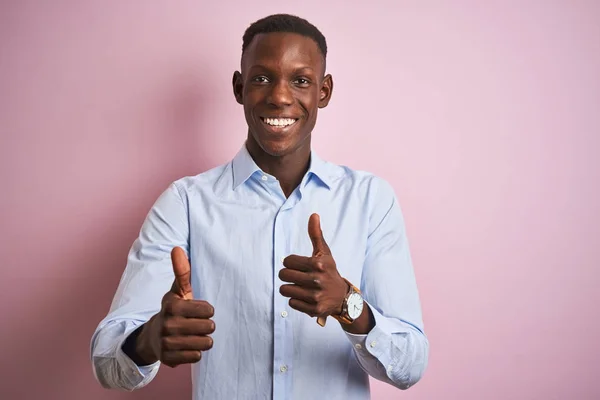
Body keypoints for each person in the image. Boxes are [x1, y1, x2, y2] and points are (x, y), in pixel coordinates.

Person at [91, 13, 429, 400]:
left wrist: (348, 306)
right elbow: (106, 360)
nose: (280, 97)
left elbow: (410, 364)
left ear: (324, 91)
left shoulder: (370, 200)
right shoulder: (184, 203)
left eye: (300, 80)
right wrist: (148, 339)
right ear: (239, 87)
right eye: (262, 78)